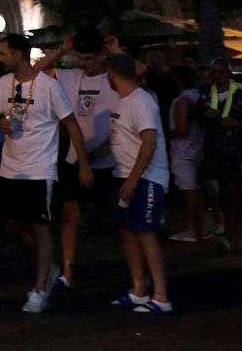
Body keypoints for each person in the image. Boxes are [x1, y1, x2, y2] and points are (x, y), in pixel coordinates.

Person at [0, 33, 90, 314]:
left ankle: (39, 289)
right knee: (11, 226)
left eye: (2, 53)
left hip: (40, 167)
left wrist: (83, 163)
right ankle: (46, 266)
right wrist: (1, 123)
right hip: (10, 167)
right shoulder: (3, 84)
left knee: (40, 226)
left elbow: (72, 125)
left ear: (17, 54)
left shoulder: (48, 86)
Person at [38, 27, 115, 289]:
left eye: (89, 59)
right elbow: (36, 72)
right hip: (74, 157)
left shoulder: (113, 79)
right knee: (70, 212)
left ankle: (138, 271)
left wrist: (116, 51)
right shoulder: (71, 76)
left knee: (119, 220)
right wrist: (63, 49)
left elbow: (138, 72)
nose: (84, 64)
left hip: (107, 159)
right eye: (81, 59)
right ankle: (68, 269)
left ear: (101, 55)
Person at [105, 53, 172, 313]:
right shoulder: (125, 101)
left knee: (145, 232)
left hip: (146, 178)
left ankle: (161, 295)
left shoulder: (141, 101)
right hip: (124, 174)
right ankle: (139, 289)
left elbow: (150, 141)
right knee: (128, 231)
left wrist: (134, 177)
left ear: (112, 73)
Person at [199, 58, 242, 250]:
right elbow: (196, 119)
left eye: (221, 71)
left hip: (240, 153)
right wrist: (205, 117)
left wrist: (236, 124)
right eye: (213, 72)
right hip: (217, 154)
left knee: (233, 193)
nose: (217, 75)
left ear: (228, 73)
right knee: (231, 197)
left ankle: (228, 236)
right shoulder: (207, 96)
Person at [164, 64, 208, 242]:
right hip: (196, 147)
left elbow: (181, 129)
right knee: (195, 191)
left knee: (189, 191)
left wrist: (164, 134)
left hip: (183, 150)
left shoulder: (182, 100)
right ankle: (204, 226)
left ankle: (192, 229)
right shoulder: (196, 96)